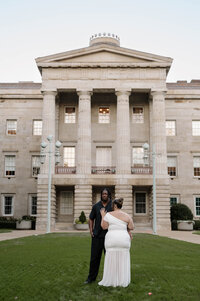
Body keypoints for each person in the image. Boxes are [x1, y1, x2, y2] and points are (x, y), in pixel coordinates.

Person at [98, 198, 134, 287]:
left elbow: (104, 227)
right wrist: (127, 229)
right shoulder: (127, 215)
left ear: (114, 205)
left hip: (112, 239)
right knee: (123, 259)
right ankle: (122, 280)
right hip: (123, 239)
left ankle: (111, 279)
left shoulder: (108, 215)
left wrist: (103, 215)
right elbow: (131, 227)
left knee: (111, 259)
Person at [84, 188, 112, 284]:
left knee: (109, 258)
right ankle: (91, 278)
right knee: (94, 258)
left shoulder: (112, 206)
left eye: (106, 194)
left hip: (109, 236)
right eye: (103, 194)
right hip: (96, 236)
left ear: (109, 195)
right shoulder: (96, 206)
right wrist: (91, 231)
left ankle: (110, 278)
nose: (104, 195)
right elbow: (91, 219)